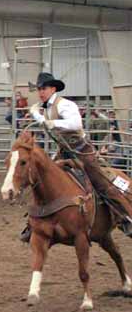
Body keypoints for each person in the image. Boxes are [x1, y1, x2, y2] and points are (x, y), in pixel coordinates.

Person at [20, 72, 132, 241]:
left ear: (52, 88)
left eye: (43, 88)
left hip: (83, 154)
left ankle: (126, 218)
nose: (40, 92)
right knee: (43, 178)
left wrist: (48, 121)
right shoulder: (47, 109)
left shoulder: (65, 105)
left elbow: (75, 124)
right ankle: (35, 223)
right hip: (64, 152)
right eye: (38, 89)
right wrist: (38, 115)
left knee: (102, 184)